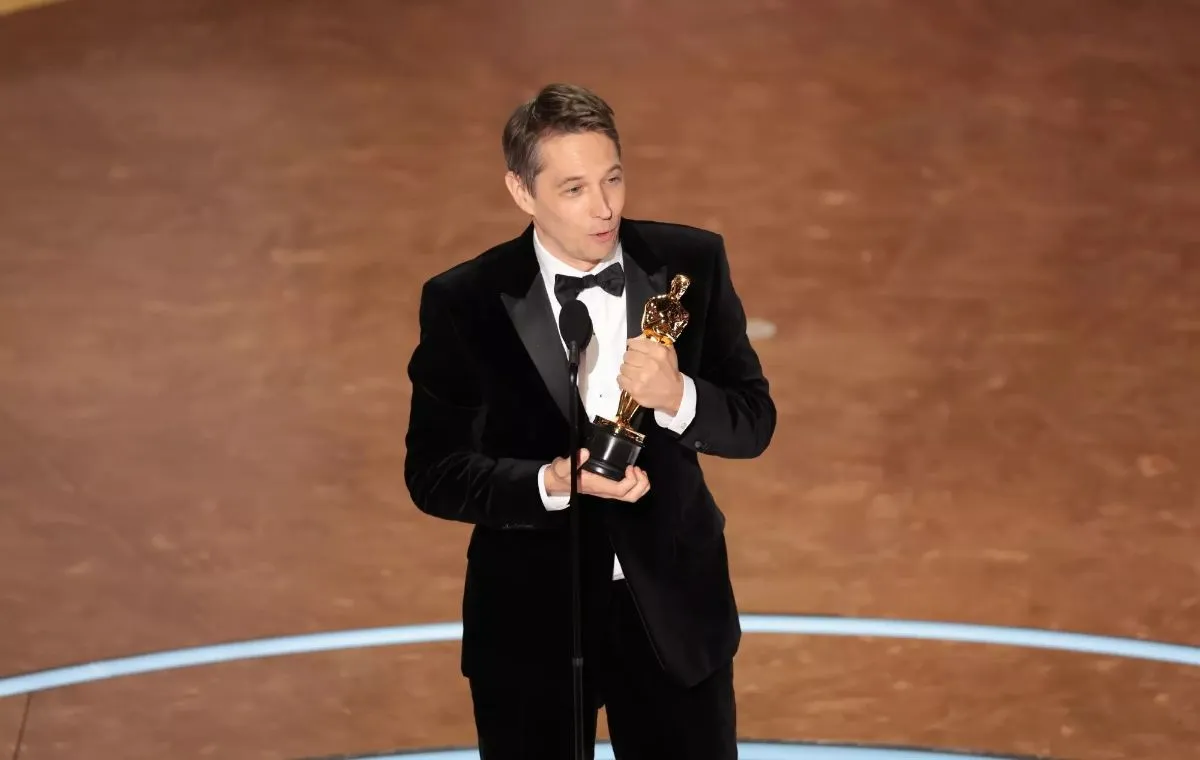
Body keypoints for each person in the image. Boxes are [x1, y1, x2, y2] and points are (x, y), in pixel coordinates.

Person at [403, 82, 776, 759]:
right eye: (574, 189)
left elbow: (753, 422)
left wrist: (679, 396)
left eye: (613, 179)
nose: (605, 208)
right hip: (529, 623)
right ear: (522, 192)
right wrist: (550, 482)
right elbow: (435, 473)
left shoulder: (690, 265)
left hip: (671, 617)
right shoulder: (464, 302)